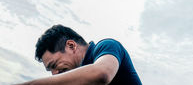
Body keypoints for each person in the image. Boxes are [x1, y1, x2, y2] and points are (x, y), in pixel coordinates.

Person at [14, 24, 142, 85]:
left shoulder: (107, 46)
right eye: (50, 70)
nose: (54, 74)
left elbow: (102, 74)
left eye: (54, 65)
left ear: (71, 45)